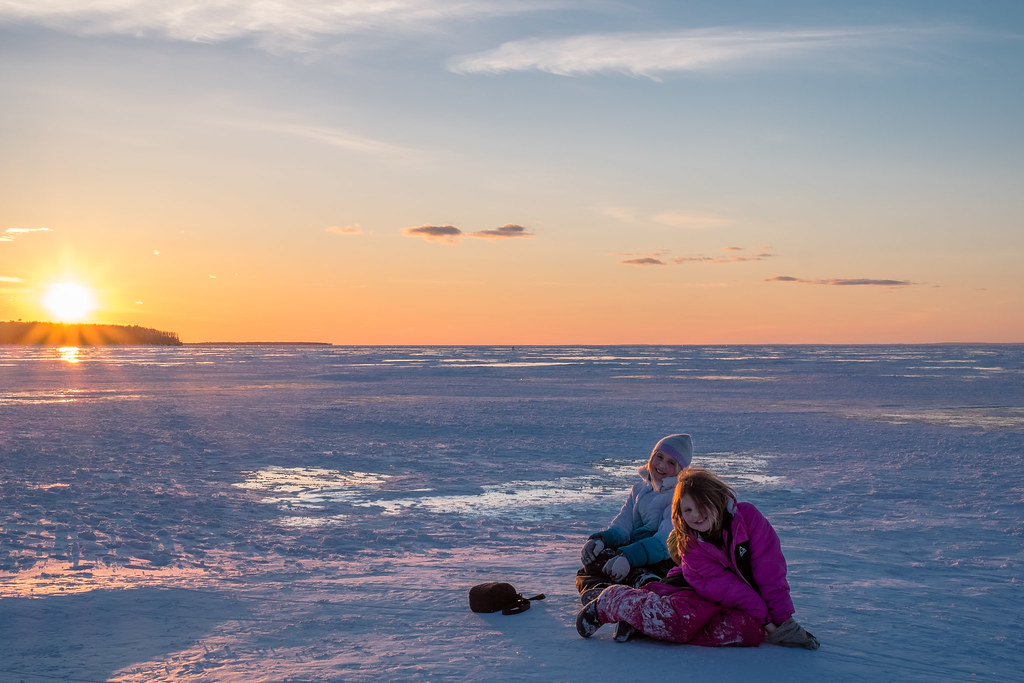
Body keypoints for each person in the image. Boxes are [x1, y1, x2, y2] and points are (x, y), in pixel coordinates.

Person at [576, 467, 819, 649]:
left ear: (717, 500)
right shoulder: (690, 545)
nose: (696, 516)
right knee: (680, 623)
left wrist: (783, 621)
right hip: (696, 592)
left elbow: (770, 572)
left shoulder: (749, 520)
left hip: (738, 600)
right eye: (687, 510)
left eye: (702, 506)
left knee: (750, 632)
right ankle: (614, 601)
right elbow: (726, 587)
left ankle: (644, 623)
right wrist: (768, 619)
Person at [575, 434, 693, 606]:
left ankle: (645, 592)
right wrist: (601, 539)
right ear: (652, 456)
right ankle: (600, 593)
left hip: (661, 558)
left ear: (680, 470)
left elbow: (664, 543)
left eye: (671, 463)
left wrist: (628, 558)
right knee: (592, 564)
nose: (661, 465)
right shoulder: (640, 489)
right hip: (633, 552)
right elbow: (623, 525)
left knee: (643, 573)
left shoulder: (678, 496)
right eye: (659, 457)